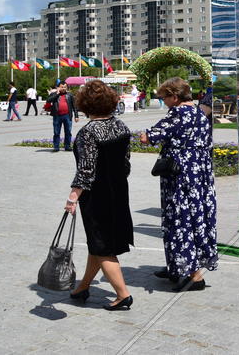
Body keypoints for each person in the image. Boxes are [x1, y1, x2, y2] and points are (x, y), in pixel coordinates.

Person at [140, 78, 216, 291]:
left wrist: (144, 136)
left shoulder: (177, 113)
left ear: (175, 96)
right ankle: (176, 267)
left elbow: (150, 137)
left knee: (180, 221)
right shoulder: (200, 113)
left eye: (164, 97)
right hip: (200, 175)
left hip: (180, 176)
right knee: (196, 219)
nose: (163, 101)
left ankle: (194, 277)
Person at [64, 80, 134, 311]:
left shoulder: (88, 132)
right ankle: (83, 287)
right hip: (118, 190)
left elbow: (86, 170)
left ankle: (123, 294)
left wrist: (72, 197)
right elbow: (125, 163)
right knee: (99, 242)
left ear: (85, 105)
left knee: (102, 245)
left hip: (97, 195)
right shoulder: (121, 126)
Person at [47, 82, 79, 152]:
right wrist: (57, 94)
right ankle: (56, 147)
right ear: (58, 87)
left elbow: (74, 106)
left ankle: (67, 146)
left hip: (67, 116)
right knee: (56, 132)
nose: (63, 88)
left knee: (68, 132)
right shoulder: (54, 94)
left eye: (65, 87)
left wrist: (76, 116)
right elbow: (48, 100)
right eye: (62, 87)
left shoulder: (70, 95)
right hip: (57, 116)